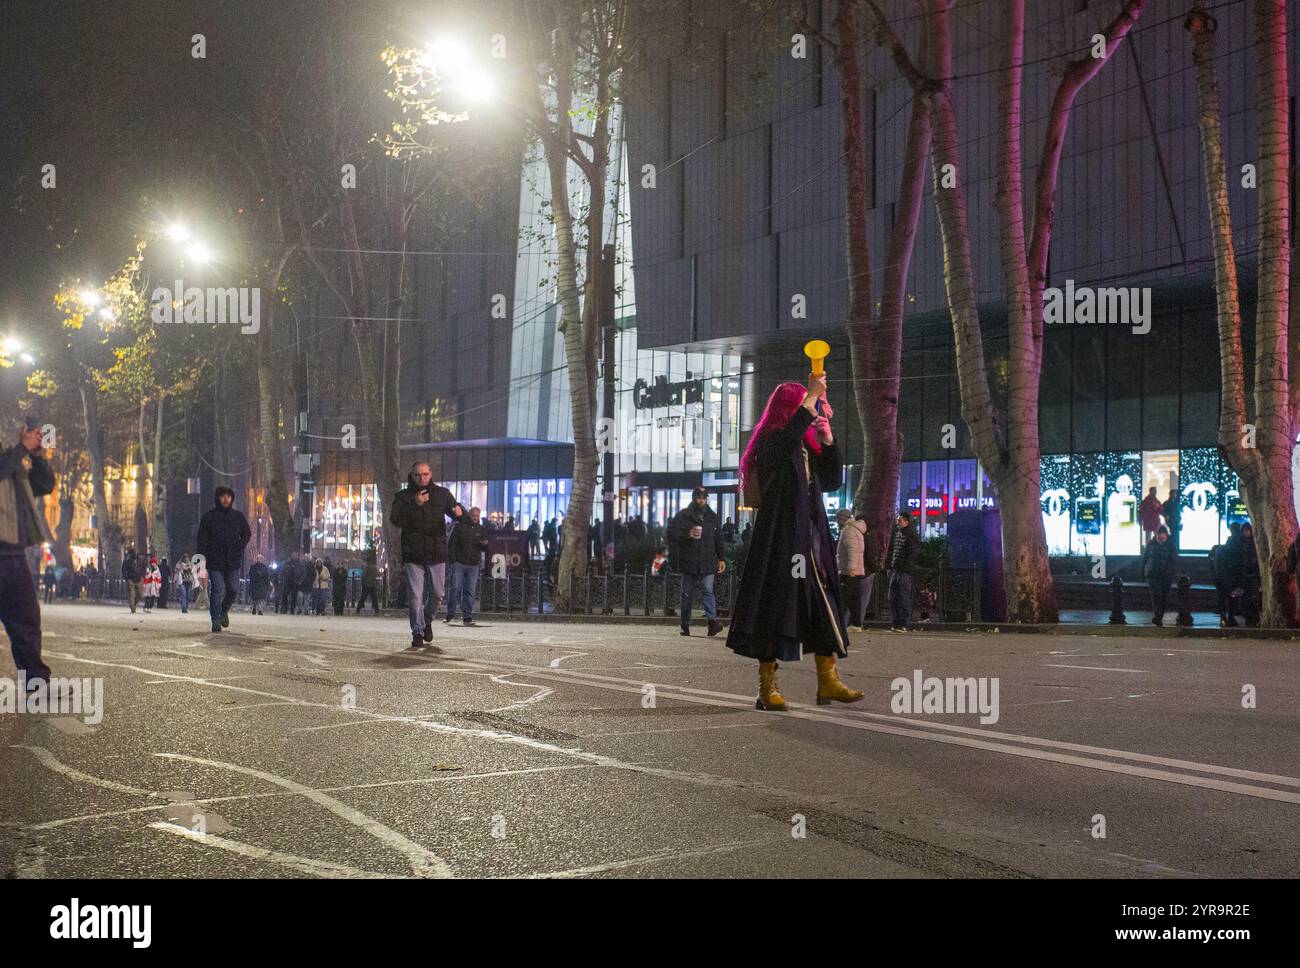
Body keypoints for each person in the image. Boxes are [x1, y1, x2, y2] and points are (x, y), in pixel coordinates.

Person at [725, 371, 863, 711]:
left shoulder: (802, 445)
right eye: (804, 404)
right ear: (791, 407)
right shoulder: (772, 441)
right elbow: (785, 439)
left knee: (824, 607)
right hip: (782, 541)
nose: (813, 410)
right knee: (777, 607)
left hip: (812, 543)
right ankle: (767, 687)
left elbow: (831, 480)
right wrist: (812, 396)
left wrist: (828, 440)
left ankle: (828, 680)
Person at [1, 420, 56, 693]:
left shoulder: (11, 458)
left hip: (13, 550)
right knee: (24, 618)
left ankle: (36, 682)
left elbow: (44, 486)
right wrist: (22, 448)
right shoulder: (10, 458)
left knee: (26, 620)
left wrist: (37, 457)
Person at [389, 461, 464, 651]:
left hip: (436, 552)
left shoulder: (442, 494)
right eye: (418, 475)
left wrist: (458, 513)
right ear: (412, 476)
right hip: (413, 553)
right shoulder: (403, 497)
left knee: (438, 594)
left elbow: (455, 510)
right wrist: (415, 504)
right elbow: (395, 520)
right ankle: (417, 631)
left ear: (430, 474)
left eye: (425, 474)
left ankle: (427, 621)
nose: (422, 478)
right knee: (415, 596)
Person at [669, 486, 726, 637]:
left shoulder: (712, 516)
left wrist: (721, 558)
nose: (701, 501)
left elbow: (718, 538)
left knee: (708, 591)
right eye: (699, 498)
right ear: (694, 498)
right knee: (687, 594)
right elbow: (672, 534)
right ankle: (685, 624)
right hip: (690, 561)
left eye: (704, 498)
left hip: (707, 561)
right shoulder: (684, 515)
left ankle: (712, 623)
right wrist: (687, 534)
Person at [195, 485, 251, 633]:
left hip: (232, 561)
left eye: (228, 496)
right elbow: (201, 542)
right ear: (218, 498)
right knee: (218, 590)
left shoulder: (238, 517)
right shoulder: (209, 517)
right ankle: (215, 620)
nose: (226, 499)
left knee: (233, 589)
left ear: (232, 498)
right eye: (222, 496)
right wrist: (201, 565)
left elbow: (247, 533)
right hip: (214, 561)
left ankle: (224, 611)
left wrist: (239, 546)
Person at [445, 506, 489, 626]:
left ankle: (467, 617)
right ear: (469, 516)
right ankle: (450, 614)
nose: (476, 518)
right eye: (474, 516)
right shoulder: (459, 526)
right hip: (459, 562)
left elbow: (485, 547)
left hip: (473, 564)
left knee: (470, 591)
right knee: (455, 588)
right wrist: (453, 560)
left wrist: (484, 545)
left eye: (477, 516)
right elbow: (451, 544)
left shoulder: (481, 529)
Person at [885, 512, 919, 632]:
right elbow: (893, 551)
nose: (897, 522)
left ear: (906, 522)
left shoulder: (910, 535)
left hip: (904, 571)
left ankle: (904, 624)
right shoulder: (898, 534)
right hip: (896, 569)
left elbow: (911, 554)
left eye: (899, 520)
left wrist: (904, 567)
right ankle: (896, 622)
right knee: (893, 597)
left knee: (903, 597)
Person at [836, 509, 867, 630]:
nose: (836, 521)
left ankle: (840, 623)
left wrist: (851, 568)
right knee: (854, 599)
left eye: (838, 518)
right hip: (856, 570)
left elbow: (852, 550)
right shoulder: (854, 530)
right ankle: (856, 624)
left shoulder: (848, 531)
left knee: (844, 598)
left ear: (842, 519)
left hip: (848, 571)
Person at [1140, 524, 1177, 626]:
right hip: (1153, 574)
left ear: (1166, 535)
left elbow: (1174, 561)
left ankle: (1159, 616)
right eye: (1159, 536)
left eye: (1163, 536)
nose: (1161, 538)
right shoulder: (1151, 544)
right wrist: (1142, 571)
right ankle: (1158, 616)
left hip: (1165, 575)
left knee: (1164, 596)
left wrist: (1170, 571)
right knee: (1156, 595)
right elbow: (1145, 558)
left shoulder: (1171, 545)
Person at [122, 547, 144, 614]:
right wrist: (127, 579)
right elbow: (124, 570)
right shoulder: (127, 561)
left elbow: (143, 568)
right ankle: (132, 607)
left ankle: (134, 602)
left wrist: (142, 575)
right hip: (131, 579)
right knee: (131, 593)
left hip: (139, 579)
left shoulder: (140, 560)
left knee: (140, 594)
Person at [1162, 488, 1181, 553]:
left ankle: (1175, 550)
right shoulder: (1167, 503)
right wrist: (1167, 517)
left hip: (1176, 522)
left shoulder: (1176, 503)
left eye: (1175, 494)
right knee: (1171, 536)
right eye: (1173, 493)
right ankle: (1171, 550)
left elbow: (1179, 513)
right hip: (1171, 522)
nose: (1174, 495)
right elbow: (1163, 512)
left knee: (1175, 536)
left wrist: (1180, 521)